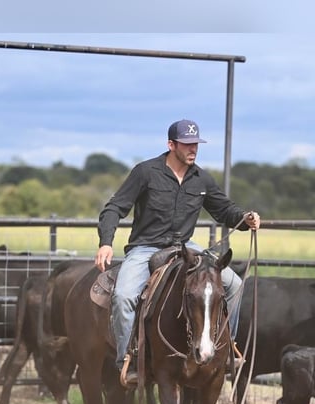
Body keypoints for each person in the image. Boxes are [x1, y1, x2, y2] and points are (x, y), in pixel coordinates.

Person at [95, 118, 261, 384]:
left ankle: (225, 348)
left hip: (186, 248)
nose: (192, 149)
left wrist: (246, 217)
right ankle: (127, 359)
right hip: (145, 248)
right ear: (171, 145)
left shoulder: (201, 179)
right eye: (186, 144)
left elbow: (224, 210)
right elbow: (114, 208)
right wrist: (106, 241)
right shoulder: (145, 172)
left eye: (195, 144)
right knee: (124, 297)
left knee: (235, 284)